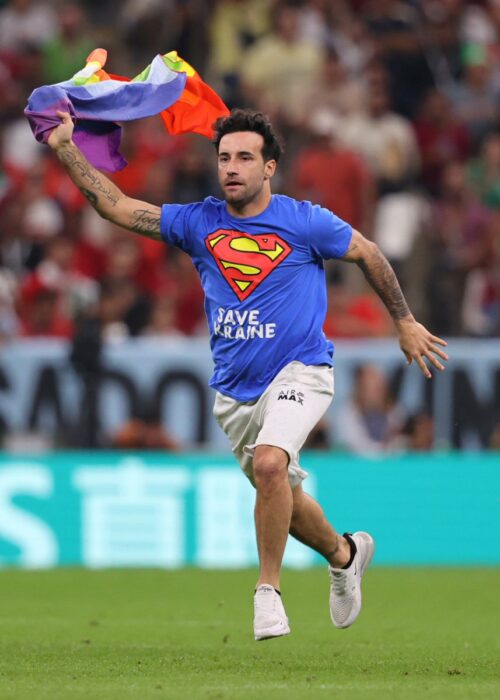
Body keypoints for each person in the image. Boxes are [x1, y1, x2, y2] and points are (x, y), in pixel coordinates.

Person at [46, 107, 448, 641]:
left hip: (302, 370)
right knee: (283, 492)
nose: (231, 167)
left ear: (270, 168)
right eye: (224, 158)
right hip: (235, 393)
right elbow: (116, 207)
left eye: (244, 158)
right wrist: (65, 147)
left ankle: (267, 593)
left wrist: (404, 321)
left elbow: (367, 252)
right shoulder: (199, 222)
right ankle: (345, 554)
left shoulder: (303, 220)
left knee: (268, 464)